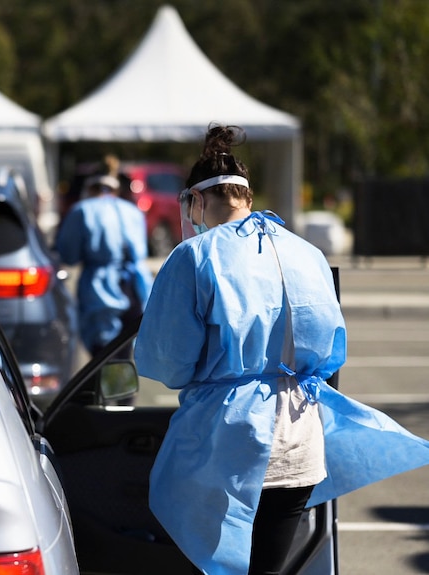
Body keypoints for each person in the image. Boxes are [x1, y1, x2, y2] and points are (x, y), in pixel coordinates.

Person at [133, 123, 429, 575]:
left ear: (195, 201)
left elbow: (167, 362)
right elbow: (331, 352)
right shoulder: (306, 253)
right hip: (299, 442)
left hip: (226, 444)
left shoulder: (195, 257)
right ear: (247, 198)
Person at [55, 168, 154, 357]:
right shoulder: (132, 210)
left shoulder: (82, 210)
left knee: (102, 352)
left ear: (90, 188)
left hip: (100, 287)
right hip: (136, 287)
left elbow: (69, 254)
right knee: (124, 348)